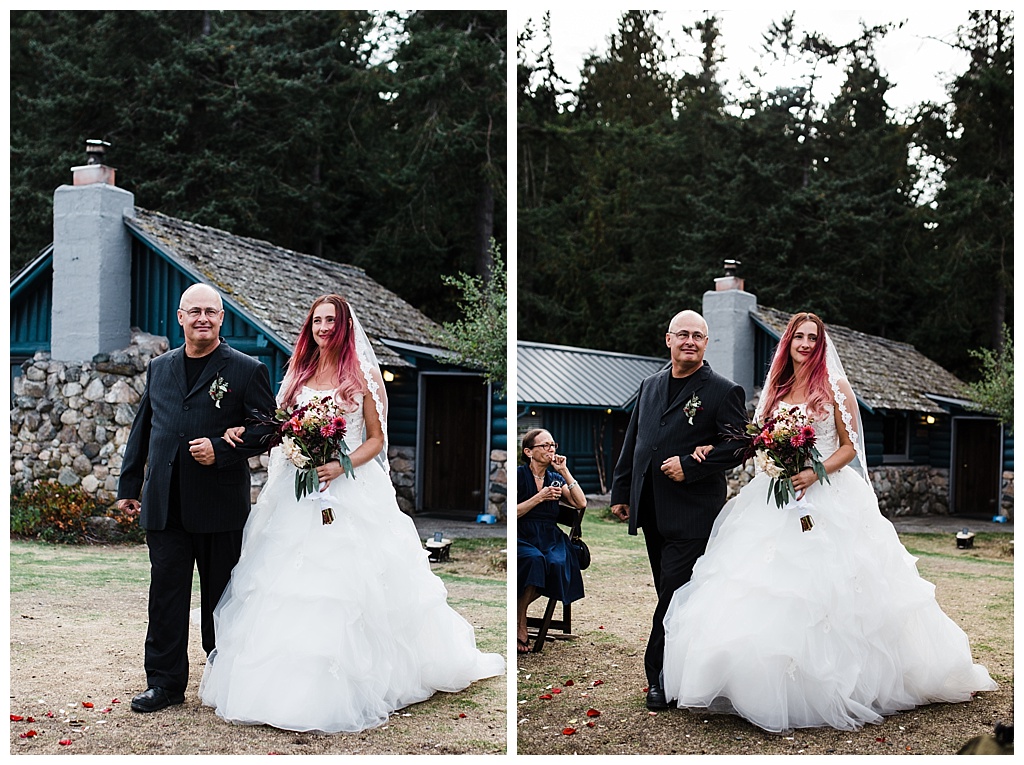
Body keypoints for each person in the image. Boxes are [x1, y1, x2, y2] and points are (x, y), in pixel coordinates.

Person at [661, 312, 997, 733]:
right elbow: (754, 438)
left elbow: (848, 448)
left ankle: (831, 686)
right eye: (799, 337)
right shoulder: (777, 389)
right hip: (776, 495)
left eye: (812, 338)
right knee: (760, 584)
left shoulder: (835, 387)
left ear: (821, 345)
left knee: (828, 588)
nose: (805, 343)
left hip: (826, 495)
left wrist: (814, 471)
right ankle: (749, 683)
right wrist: (722, 452)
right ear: (788, 343)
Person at [198, 294, 504, 733]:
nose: (323, 327)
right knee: (284, 582)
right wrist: (245, 432)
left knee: (343, 585)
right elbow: (278, 424)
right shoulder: (298, 371)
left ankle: (345, 682)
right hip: (297, 493)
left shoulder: (362, 375)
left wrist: (342, 464)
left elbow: (376, 440)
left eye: (331, 320)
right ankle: (275, 684)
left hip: (350, 489)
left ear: (344, 327)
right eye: (317, 320)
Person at [117, 283, 278, 713]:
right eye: (195, 311)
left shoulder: (247, 369)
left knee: (221, 598)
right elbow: (143, 429)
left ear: (222, 319)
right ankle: (164, 684)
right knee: (165, 596)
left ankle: (224, 679)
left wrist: (223, 450)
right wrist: (128, 488)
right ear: (180, 317)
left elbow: (269, 430)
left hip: (219, 504)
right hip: (164, 502)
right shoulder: (160, 367)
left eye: (211, 311)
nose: (203, 318)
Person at [609, 310, 748, 711]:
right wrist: (622, 490)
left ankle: (659, 677)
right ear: (667, 340)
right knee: (672, 592)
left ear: (706, 343)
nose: (690, 341)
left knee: (672, 593)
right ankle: (690, 667)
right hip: (652, 508)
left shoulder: (724, 390)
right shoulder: (649, 385)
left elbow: (739, 447)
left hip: (693, 513)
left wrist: (690, 464)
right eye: (682, 334)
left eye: (698, 336)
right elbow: (636, 440)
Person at [516, 429, 587, 653]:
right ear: (529, 452)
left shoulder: (555, 478)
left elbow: (581, 503)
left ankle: (518, 615)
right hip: (521, 534)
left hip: (550, 537)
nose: (551, 449)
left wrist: (564, 471)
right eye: (544, 446)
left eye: (553, 445)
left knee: (555, 564)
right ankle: (521, 622)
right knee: (534, 559)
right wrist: (541, 497)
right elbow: (513, 513)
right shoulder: (518, 476)